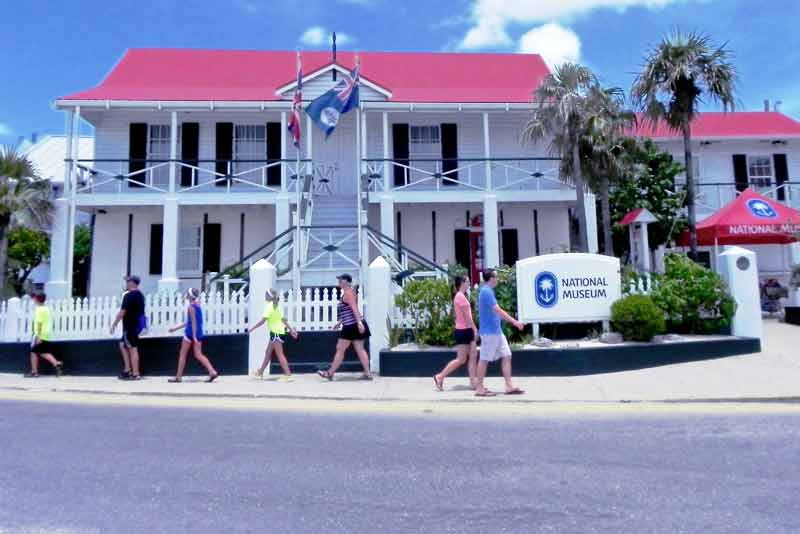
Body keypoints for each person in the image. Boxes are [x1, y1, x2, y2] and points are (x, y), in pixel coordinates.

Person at [474, 269, 525, 397]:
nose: (498, 279)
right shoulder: (486, 291)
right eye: (496, 277)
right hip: (489, 332)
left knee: (507, 355)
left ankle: (509, 386)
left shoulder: (489, 291)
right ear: (491, 278)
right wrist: (515, 322)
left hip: (496, 331)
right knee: (484, 359)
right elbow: (497, 310)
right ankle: (479, 388)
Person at [318, 274, 372, 381]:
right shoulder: (349, 292)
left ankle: (330, 373)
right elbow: (349, 311)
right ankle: (367, 374)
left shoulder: (348, 293)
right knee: (359, 349)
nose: (339, 281)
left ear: (347, 282)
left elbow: (354, 308)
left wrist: (359, 323)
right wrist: (340, 322)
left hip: (351, 326)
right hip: (352, 324)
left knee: (340, 349)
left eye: (341, 279)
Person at [433, 276, 478, 391]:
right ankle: (440, 376)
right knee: (461, 359)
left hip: (466, 330)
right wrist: (474, 329)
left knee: (473, 356)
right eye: (467, 281)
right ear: (462, 283)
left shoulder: (463, 296)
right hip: (464, 331)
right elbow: (467, 317)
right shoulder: (460, 297)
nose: (469, 283)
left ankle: (474, 382)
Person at [167, 288, 219, 383]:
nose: (186, 295)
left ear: (190, 296)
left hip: (190, 333)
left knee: (182, 355)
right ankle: (212, 371)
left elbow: (192, 322)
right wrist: (175, 328)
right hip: (199, 332)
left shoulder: (190, 307)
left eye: (187, 293)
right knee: (199, 354)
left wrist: (193, 335)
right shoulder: (198, 305)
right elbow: (192, 321)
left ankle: (178, 377)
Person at [248, 289, 299, 382]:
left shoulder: (269, 306)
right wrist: (291, 330)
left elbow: (263, 321)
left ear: (270, 296)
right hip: (277, 332)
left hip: (276, 333)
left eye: (266, 294)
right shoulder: (277, 306)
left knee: (280, 354)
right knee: (268, 352)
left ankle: (288, 374)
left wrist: (252, 328)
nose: (265, 296)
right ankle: (260, 372)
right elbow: (283, 320)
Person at [110, 275, 145, 381]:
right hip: (136, 325)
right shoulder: (140, 295)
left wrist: (114, 324)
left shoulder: (129, 296)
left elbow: (122, 312)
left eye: (128, 281)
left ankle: (135, 373)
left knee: (132, 348)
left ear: (132, 283)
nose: (126, 283)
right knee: (122, 345)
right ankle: (127, 369)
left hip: (129, 326)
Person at [25, 293, 63, 378]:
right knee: (43, 352)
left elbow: (39, 323)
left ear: (36, 299)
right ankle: (56, 363)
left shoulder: (39, 310)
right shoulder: (46, 309)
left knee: (33, 353)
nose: (33, 300)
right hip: (46, 334)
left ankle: (34, 372)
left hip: (39, 335)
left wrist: (38, 336)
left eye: (34, 298)